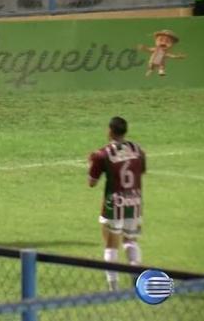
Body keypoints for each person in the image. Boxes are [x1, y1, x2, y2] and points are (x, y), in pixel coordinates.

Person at [88, 116, 146, 291]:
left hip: (115, 204)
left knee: (111, 244)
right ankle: (137, 282)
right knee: (130, 241)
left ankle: (113, 286)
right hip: (134, 201)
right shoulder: (138, 150)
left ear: (110, 131)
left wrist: (91, 164)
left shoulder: (102, 154)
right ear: (125, 131)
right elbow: (140, 172)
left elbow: (91, 182)